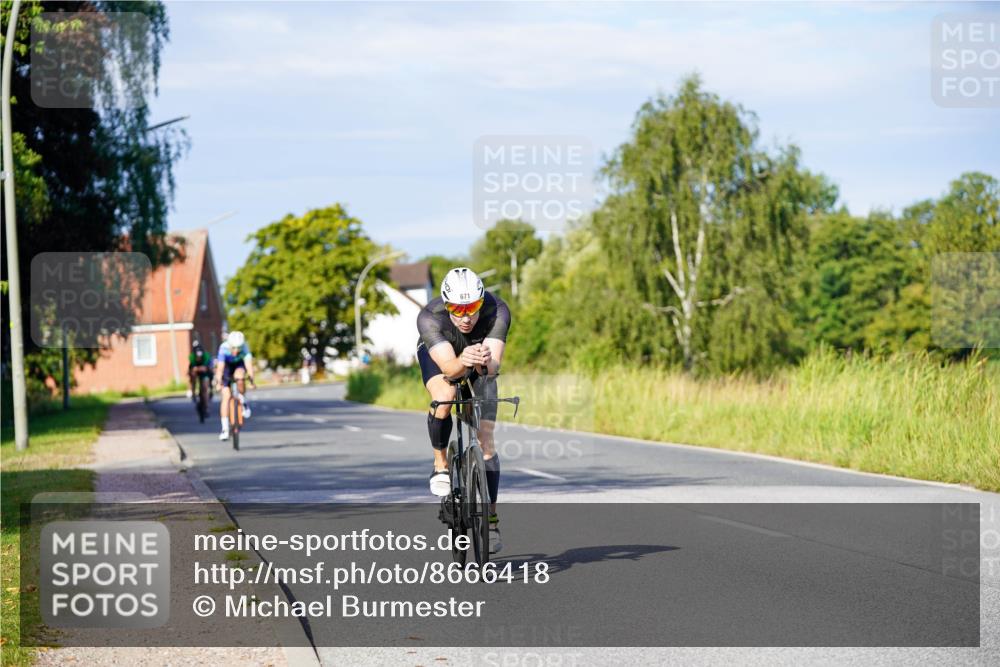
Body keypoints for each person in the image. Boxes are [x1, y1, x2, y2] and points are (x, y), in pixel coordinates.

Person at [416, 267, 510, 553]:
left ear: (482, 301)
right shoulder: (430, 317)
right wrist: (464, 360)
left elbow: (492, 368)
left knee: (487, 443)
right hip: (443, 356)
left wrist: (481, 362)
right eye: (457, 308)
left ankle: (491, 520)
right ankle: (440, 464)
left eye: (472, 308)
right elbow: (450, 370)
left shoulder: (498, 311)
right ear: (447, 304)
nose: (466, 316)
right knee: (445, 395)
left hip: (478, 358)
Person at [214, 330, 254, 441]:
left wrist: (251, 380)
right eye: (234, 348)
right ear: (229, 345)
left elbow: (249, 366)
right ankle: (225, 429)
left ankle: (243, 400)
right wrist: (218, 382)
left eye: (239, 348)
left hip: (238, 366)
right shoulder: (223, 348)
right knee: (226, 396)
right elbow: (220, 368)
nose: (236, 351)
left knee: (240, 377)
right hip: (226, 367)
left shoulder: (245, 348)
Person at [188, 340, 213, 406]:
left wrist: (200, 368)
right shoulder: (192, 357)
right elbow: (193, 368)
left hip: (205, 370)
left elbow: (205, 368)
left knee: (205, 385)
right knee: (192, 375)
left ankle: (210, 391)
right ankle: (193, 392)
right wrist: (195, 370)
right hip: (196, 369)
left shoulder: (206, 356)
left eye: (200, 357)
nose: (198, 358)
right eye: (197, 357)